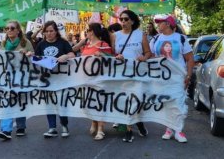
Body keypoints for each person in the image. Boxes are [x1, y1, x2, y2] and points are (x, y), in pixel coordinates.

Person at [110, 10, 152, 143]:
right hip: (121, 74)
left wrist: (143, 57)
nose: (123, 22)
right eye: (121, 19)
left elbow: (148, 53)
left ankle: (138, 122)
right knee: (126, 101)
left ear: (132, 21)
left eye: (126, 19)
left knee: (137, 100)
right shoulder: (115, 36)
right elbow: (112, 55)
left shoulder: (141, 35)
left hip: (137, 73)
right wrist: (117, 57)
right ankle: (128, 130)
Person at [151, 14, 193, 143]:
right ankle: (169, 129)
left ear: (168, 24)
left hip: (178, 76)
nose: (157, 25)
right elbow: (151, 57)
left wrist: (189, 75)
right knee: (166, 103)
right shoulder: (156, 38)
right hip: (161, 77)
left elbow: (190, 58)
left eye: (160, 22)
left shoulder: (181, 38)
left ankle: (179, 131)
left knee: (178, 102)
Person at [35, 20, 75, 138]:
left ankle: (64, 125)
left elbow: (72, 55)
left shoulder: (63, 42)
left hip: (62, 79)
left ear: (56, 31)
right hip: (47, 79)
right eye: (46, 31)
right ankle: (52, 127)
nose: (49, 33)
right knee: (49, 104)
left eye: (51, 31)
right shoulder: (41, 44)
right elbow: (36, 58)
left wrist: (66, 56)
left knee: (61, 103)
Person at [72, 23, 112, 140]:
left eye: (88, 30)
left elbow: (112, 59)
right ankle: (94, 122)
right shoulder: (86, 45)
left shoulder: (103, 44)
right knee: (91, 102)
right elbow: (73, 50)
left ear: (93, 31)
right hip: (86, 79)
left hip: (100, 78)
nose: (86, 32)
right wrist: (82, 41)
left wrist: (102, 54)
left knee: (99, 102)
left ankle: (101, 129)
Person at [0, 20, 34, 141]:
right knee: (8, 101)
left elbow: (33, 55)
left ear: (18, 30)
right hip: (8, 77)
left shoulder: (25, 42)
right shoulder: (3, 43)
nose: (9, 30)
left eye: (12, 28)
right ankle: (6, 130)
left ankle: (21, 126)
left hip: (22, 76)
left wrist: (27, 53)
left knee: (20, 101)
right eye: (7, 28)